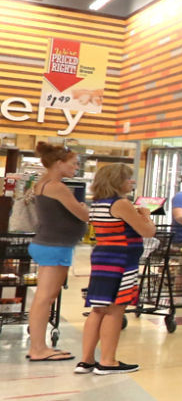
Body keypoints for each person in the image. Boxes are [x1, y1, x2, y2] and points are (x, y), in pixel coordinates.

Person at [78, 162, 154, 375]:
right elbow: (147, 231)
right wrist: (146, 215)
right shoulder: (121, 204)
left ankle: (86, 360)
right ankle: (108, 361)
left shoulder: (97, 203)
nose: (132, 181)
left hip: (102, 257)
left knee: (98, 308)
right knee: (115, 309)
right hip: (121, 260)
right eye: (128, 178)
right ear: (117, 181)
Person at [22, 141, 89, 363]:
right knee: (44, 298)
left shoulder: (45, 183)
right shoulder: (56, 187)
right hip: (54, 246)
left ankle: (39, 346)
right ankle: (38, 348)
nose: (76, 167)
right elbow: (83, 214)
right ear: (59, 163)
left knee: (45, 297)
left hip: (50, 244)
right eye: (73, 163)